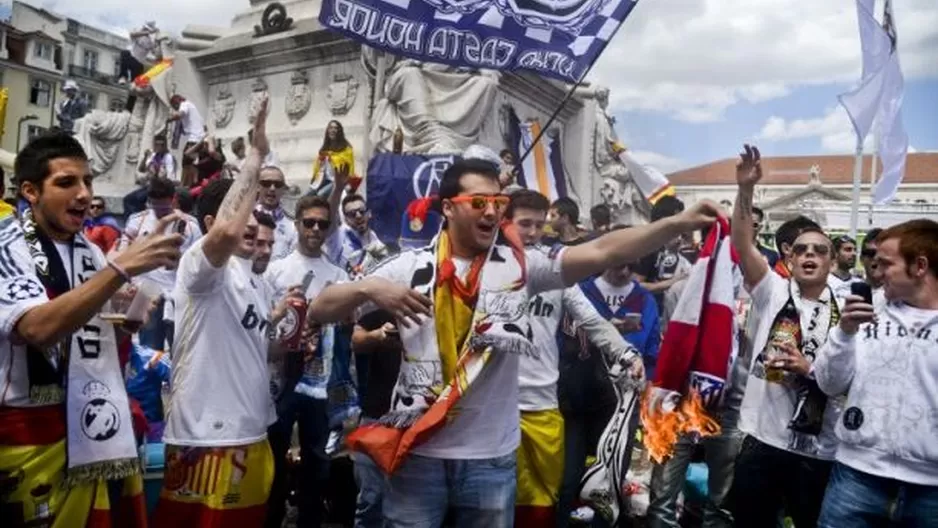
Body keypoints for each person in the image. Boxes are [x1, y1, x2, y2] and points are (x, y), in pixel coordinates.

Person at [306, 157, 722, 526]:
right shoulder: (407, 267)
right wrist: (370, 290)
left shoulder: (523, 269)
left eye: (498, 204)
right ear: (448, 208)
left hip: (490, 459)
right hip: (418, 457)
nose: (491, 212)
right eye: (478, 203)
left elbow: (600, 253)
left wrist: (675, 223)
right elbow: (319, 309)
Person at [0, 132, 183, 526]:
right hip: (27, 434)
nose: (83, 194)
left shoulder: (89, 249)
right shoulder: (6, 245)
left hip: (95, 422)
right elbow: (37, 328)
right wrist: (121, 269)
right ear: (30, 191)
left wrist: (124, 323)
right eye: (67, 183)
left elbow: (93, 337)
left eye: (88, 181)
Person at [153, 95, 291, 527]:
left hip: (252, 433)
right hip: (205, 441)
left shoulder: (256, 279)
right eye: (246, 212)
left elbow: (256, 349)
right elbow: (231, 229)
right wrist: (257, 153)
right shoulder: (200, 267)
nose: (253, 223)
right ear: (211, 222)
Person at [507, 191, 642, 526]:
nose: (533, 232)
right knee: (498, 498)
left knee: (546, 498)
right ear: (505, 221)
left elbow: (592, 321)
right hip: (498, 405)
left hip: (544, 403)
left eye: (540, 224)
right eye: (525, 223)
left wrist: (626, 353)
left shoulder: (555, 274)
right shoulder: (487, 268)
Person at [729, 145, 841, 528]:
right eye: (802, 250)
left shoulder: (848, 301)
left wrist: (811, 369)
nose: (810, 256)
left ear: (833, 260)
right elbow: (742, 245)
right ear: (789, 258)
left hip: (820, 448)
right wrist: (745, 190)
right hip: (764, 441)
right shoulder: (773, 290)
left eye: (820, 251)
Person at [813, 220, 938, 527]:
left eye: (886, 264)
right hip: (856, 477)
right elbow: (829, 383)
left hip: (931, 490)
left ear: (919, 266)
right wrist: (844, 332)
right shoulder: (867, 314)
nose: (875, 272)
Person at [263, 194, 350, 528]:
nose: (315, 229)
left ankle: (310, 520)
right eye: (309, 222)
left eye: (322, 224)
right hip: (282, 372)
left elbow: (346, 324)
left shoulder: (338, 274)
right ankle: (271, 518)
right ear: (296, 223)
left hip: (321, 375)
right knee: (275, 448)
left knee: (317, 456)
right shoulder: (275, 270)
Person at [118, 177, 202, 351]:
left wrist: (178, 260)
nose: (159, 212)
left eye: (164, 207)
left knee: (181, 348)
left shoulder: (190, 225)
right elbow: (122, 255)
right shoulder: (137, 221)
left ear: (173, 200)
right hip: (145, 291)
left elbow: (198, 263)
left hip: (177, 292)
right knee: (147, 350)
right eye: (155, 206)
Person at [325, 194, 388, 277]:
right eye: (352, 214)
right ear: (346, 219)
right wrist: (338, 188)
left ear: (369, 213)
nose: (358, 216)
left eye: (361, 211)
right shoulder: (338, 237)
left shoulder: (377, 242)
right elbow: (329, 214)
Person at [255, 166, 297, 262]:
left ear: (283, 189)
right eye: (266, 183)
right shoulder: (246, 220)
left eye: (278, 184)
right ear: (257, 186)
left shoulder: (293, 225)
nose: (272, 188)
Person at [311, 120, 355, 194]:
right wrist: (321, 161)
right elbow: (318, 166)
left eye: (335, 128)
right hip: (323, 179)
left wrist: (331, 157)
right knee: (307, 194)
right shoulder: (325, 147)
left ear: (339, 131)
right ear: (327, 131)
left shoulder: (346, 148)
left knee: (320, 194)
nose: (333, 130)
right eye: (330, 128)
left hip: (338, 181)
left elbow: (350, 166)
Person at [169, 94, 206, 162]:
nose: (175, 109)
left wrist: (169, 119)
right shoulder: (192, 106)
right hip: (200, 138)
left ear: (176, 103)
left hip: (193, 139)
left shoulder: (184, 104)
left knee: (186, 160)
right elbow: (203, 125)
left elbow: (180, 114)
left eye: (174, 107)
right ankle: (197, 159)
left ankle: (196, 159)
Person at [828, 234, 862, 307]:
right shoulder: (824, 283)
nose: (853, 254)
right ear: (835, 254)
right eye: (848, 250)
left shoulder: (860, 284)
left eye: (855, 250)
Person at [859, 227, 887, 310]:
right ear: (861, 259)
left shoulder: (902, 296)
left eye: (882, 254)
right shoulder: (848, 293)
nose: (876, 258)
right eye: (871, 253)